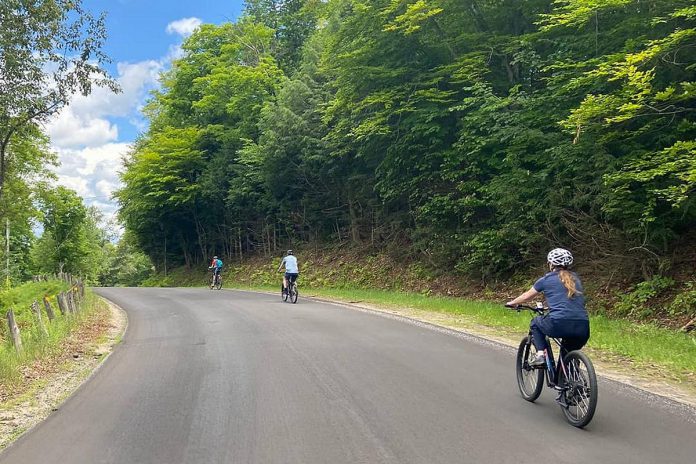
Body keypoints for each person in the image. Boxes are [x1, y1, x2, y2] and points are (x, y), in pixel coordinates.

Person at [506, 248, 590, 366]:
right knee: (567, 353)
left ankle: (540, 355)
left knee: (535, 323)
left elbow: (526, 297)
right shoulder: (576, 279)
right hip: (583, 327)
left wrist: (512, 303)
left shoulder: (546, 280)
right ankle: (571, 379)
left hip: (559, 323)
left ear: (551, 264)